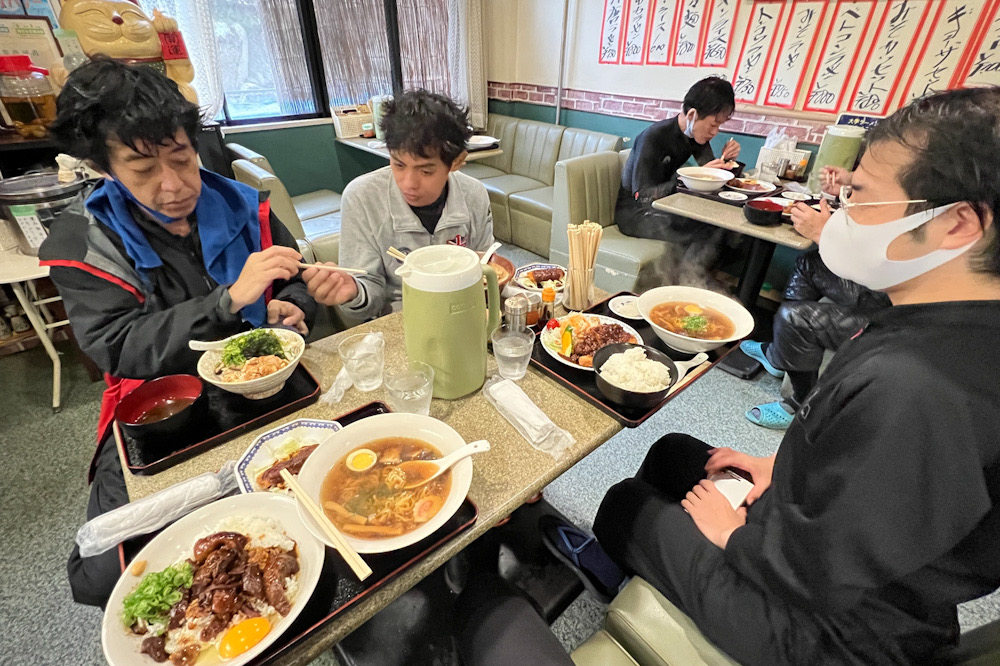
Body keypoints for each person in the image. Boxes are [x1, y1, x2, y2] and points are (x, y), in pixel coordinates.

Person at [457, 87, 1000, 665]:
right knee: (673, 452)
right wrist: (785, 468)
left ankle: (643, 553)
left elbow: (820, 571)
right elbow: (876, 490)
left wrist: (734, 535)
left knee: (623, 503)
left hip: (826, 627)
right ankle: (658, 556)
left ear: (957, 223)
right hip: (836, 554)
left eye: (859, 198)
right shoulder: (942, 326)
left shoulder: (922, 387)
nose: (839, 215)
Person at [39, 57, 316, 607]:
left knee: (302, 496)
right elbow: (116, 345)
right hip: (163, 402)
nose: (173, 186)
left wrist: (293, 305)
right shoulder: (85, 241)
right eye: (142, 170)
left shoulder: (242, 203)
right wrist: (230, 299)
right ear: (104, 167)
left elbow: (294, 279)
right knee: (104, 573)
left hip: (261, 383)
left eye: (181, 157)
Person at [303, 90, 494, 318]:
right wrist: (353, 291)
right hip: (400, 319)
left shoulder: (474, 194)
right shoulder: (362, 197)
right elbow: (368, 294)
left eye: (425, 170)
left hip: (462, 312)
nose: (408, 184)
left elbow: (485, 268)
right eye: (399, 165)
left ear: (457, 162)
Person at [739, 165, 891, 429]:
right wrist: (849, 187)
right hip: (876, 288)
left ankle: (800, 403)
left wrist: (824, 234)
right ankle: (779, 353)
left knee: (795, 318)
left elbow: (886, 277)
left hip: (893, 312)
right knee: (809, 262)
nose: (850, 198)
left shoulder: (934, 214)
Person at [616, 76, 741, 285]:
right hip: (635, 214)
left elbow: (709, 173)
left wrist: (726, 162)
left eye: (720, 125)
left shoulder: (695, 137)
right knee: (707, 228)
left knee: (722, 226)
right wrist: (690, 178)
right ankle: (688, 283)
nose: (715, 131)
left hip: (665, 206)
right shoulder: (654, 136)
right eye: (713, 124)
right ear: (692, 114)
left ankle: (694, 279)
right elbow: (642, 195)